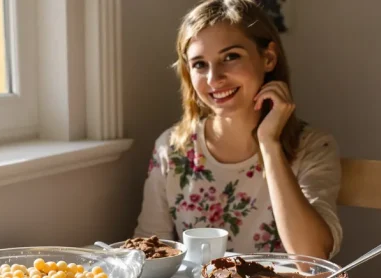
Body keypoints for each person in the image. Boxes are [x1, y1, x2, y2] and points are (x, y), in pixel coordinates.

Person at [134, 0, 342, 260]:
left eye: (230, 57)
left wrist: (269, 144)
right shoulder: (171, 148)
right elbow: (147, 256)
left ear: (268, 58)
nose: (214, 78)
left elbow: (312, 259)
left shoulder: (313, 147)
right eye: (199, 64)